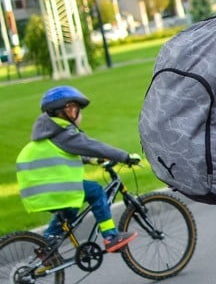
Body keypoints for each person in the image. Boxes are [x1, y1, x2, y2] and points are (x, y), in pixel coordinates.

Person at [16, 86, 139, 252]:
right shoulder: (63, 132)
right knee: (96, 191)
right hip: (51, 187)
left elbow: (67, 153)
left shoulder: (49, 132)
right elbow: (92, 146)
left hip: (37, 190)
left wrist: (92, 160)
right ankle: (111, 236)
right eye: (74, 108)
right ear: (62, 111)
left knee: (71, 209)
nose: (78, 113)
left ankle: (46, 246)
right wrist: (125, 157)